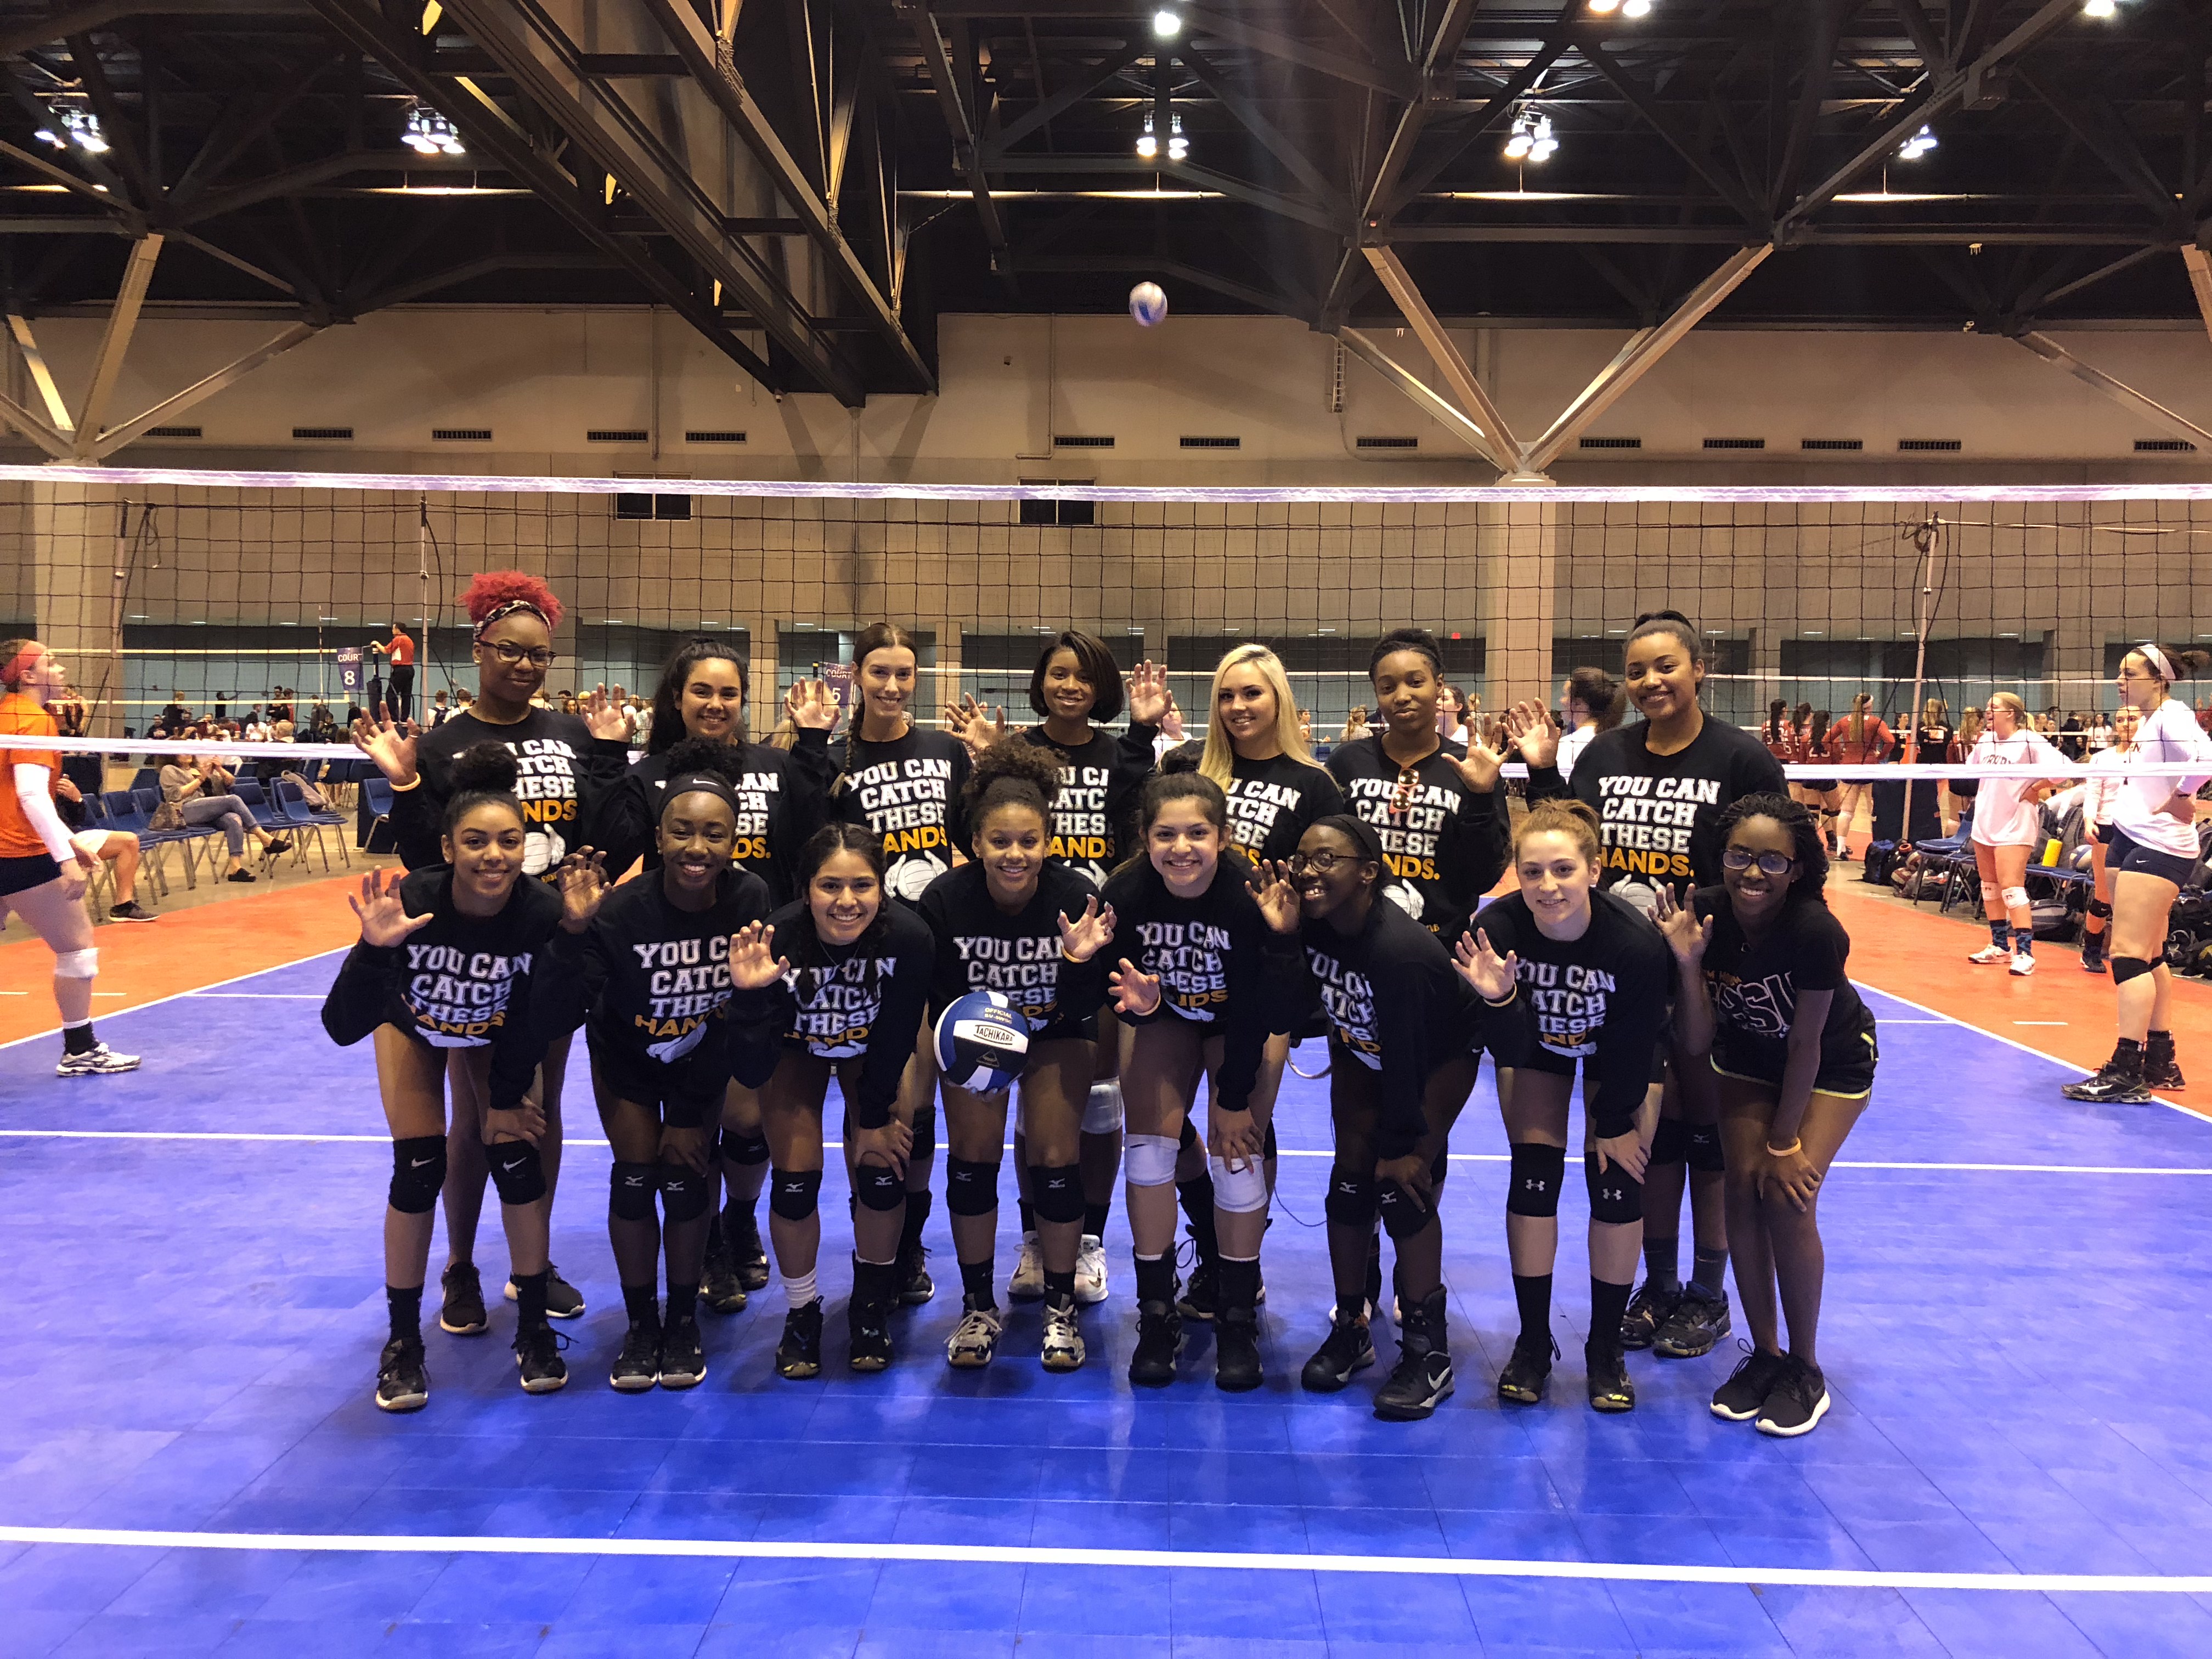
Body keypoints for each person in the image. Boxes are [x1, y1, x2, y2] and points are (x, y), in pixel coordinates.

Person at [352, 570, 634, 1334]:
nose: (524, 665)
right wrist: (407, 786)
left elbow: (601, 836)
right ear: (478, 647)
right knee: (470, 1122)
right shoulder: (442, 744)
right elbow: (424, 858)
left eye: (539, 655)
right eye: (510, 650)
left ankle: (527, 1270)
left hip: (543, 951)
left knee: (534, 1114)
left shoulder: (573, 735)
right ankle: (459, 1267)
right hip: (461, 957)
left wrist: (611, 757)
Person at [1515, 608, 1788, 1364]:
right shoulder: (1603, 755)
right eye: (1637, 671)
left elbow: (1777, 865)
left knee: (1707, 1136)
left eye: (1666, 666)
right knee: (1648, 1139)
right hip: (1619, 976)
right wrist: (1542, 769)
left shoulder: (1742, 760)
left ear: (1700, 670)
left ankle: (1708, 1292)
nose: (1650, 681)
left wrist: (1712, 927)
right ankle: (1658, 1286)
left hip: (1706, 971)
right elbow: (1563, 839)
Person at [586, 640, 840, 1313]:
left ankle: (738, 1221)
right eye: (702, 691)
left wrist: (814, 748)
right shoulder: (653, 776)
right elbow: (609, 855)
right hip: (677, 976)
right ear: (678, 698)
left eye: (729, 693)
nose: (716, 704)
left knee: (749, 1123)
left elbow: (815, 844)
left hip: (759, 967)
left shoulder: (779, 766)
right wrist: (610, 758)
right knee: (686, 1138)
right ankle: (702, 1252)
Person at [318, 746, 569, 1409]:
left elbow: (533, 1021)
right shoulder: (415, 902)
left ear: (528, 847)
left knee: (517, 1155)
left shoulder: (540, 914)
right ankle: (404, 1342)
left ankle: (535, 1327)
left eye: (510, 842)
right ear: (448, 848)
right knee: (420, 1166)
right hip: (414, 1029)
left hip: (494, 1033)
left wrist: (507, 1101)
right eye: (476, 842)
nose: (494, 856)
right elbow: (341, 1025)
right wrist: (374, 951)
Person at [541, 743, 774, 1390]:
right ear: (658, 836)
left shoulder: (749, 894)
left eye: (713, 833)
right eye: (681, 830)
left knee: (686, 1176)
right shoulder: (620, 910)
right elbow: (568, 1010)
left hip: (705, 1056)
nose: (696, 846)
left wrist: (701, 1105)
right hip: (628, 1056)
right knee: (636, 1180)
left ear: (735, 841)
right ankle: (644, 1324)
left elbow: (745, 1008)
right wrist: (572, 929)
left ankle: (683, 1321)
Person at [1662, 793, 1878, 1437]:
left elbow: (1807, 1044)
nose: (1752, 874)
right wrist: (1689, 963)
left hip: (1832, 1064)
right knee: (1739, 1192)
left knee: (1786, 1195)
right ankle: (1766, 1355)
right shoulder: (1702, 912)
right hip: (1746, 1059)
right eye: (1739, 856)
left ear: (1797, 868)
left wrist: (1785, 1140)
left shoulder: (1815, 931)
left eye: (1771, 862)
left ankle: (1805, 1369)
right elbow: (1697, 1042)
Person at [1455, 800, 1677, 1413]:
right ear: (1517, 875)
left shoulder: (1633, 943)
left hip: (1619, 1055)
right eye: (1532, 872)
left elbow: (1636, 1043)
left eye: (1562, 870)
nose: (1547, 886)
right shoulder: (1496, 931)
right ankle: (1533, 1343)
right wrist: (1500, 1003)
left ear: (1594, 871)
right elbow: (1506, 1049)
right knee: (1532, 1180)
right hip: (1537, 1044)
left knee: (1617, 1182)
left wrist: (1613, 1125)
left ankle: (1605, 1347)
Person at [1101, 774, 1302, 1391]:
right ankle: (1157, 1316)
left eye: (1197, 833)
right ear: (1144, 838)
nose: (1181, 848)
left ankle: (1236, 1318)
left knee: (1236, 1153)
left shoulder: (1247, 894)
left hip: (1243, 1020)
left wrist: (1235, 1100)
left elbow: (1255, 1005)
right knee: (1146, 1152)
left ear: (1224, 837)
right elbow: (1106, 989)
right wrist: (1126, 998)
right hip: (1167, 1014)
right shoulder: (1127, 892)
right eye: (1166, 834)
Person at [918, 740, 1115, 1370]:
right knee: (972, 1163)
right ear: (976, 842)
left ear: (1049, 839)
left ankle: (1060, 1307)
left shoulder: (1073, 894)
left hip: (1057, 1031)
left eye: (1028, 842)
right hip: (981, 1039)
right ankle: (978, 1307)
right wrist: (980, 1051)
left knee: (1056, 1159)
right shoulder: (946, 900)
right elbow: (941, 999)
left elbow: (1088, 1003)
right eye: (1000, 842)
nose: (1014, 855)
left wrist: (1080, 961)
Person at [1286, 815, 1482, 1420]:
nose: (1308, 870)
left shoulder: (1401, 953)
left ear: (1368, 874)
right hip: (1362, 1049)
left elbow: (1409, 1057)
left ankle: (1429, 1352)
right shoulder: (1312, 927)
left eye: (1327, 860)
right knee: (1348, 1188)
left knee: (1401, 1185)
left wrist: (1407, 1145)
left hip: (1436, 1059)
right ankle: (1353, 1325)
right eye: (1303, 857)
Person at [725, 826, 935, 1376]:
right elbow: (750, 1068)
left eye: (862, 885)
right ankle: (802, 1312)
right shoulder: (774, 939)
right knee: (794, 1185)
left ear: (882, 888)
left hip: (872, 1047)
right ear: (806, 889)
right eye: (830, 886)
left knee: (882, 1169)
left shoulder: (909, 938)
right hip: (796, 1050)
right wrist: (748, 999)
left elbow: (895, 1038)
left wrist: (872, 1119)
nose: (846, 902)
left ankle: (870, 1304)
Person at [2065, 645, 2212, 1103]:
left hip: (2160, 845)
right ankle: (2160, 1060)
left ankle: (2127, 1069)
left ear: (2158, 679)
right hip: (2131, 837)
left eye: (2129, 672)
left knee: (2127, 956)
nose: (2119, 679)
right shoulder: (2151, 721)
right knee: (2147, 956)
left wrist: (2183, 796)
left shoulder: (2171, 716)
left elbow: (2204, 759)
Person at [0, 639, 140, 1075]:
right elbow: (30, 796)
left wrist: (70, 838)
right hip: (20, 853)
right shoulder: (33, 719)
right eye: (51, 662)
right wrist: (63, 856)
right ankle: (80, 1049)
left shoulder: (6, 714)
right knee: (77, 951)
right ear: (27, 676)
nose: (60, 669)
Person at [1325, 628, 1511, 938]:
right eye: (1387, 687)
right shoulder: (1347, 762)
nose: (1401, 696)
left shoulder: (1469, 765)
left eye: (1415, 682)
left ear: (1438, 687)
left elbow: (1484, 878)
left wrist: (1480, 797)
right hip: (1354, 938)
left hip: (1441, 944)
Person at [1962, 692, 2068, 977]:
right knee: (1990, 886)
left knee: (2011, 887)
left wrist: (2036, 788)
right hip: (1985, 821)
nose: (1987, 711)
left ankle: (2025, 953)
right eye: (1987, 706)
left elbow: (2065, 771)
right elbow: (1969, 771)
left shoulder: (2029, 741)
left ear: (2011, 713)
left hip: (2015, 823)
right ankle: (2000, 946)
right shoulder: (1986, 740)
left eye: (1993, 708)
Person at [158, 751, 291, 882]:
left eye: (189, 750)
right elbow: (175, 796)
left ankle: (235, 868)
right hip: (186, 810)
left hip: (209, 811)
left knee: (234, 819)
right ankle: (265, 838)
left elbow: (231, 783)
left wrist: (220, 769)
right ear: (171, 754)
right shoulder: (169, 770)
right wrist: (200, 779)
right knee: (233, 800)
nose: (187, 754)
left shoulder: (198, 769)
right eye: (181, 752)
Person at [2076, 704, 2140, 975]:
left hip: (2140, 830)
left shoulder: (2154, 757)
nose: (2126, 724)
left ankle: (2134, 953)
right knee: (2104, 896)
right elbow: (2092, 794)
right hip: (2107, 827)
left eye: (2133, 719)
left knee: (2135, 897)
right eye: (2121, 719)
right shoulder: (2102, 758)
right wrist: (2089, 822)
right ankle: (2091, 951)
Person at [55, 774, 154, 923]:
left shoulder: (58, 781)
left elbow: (77, 820)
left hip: (69, 835)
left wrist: (76, 799)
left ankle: (123, 906)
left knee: (129, 841)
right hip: (36, 841)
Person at [1827, 693, 1894, 859]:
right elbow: (1890, 741)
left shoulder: (1844, 721)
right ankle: (1879, 849)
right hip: (1870, 768)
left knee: (1847, 811)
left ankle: (1840, 850)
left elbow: (1826, 740)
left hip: (1849, 768)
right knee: (1875, 811)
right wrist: (1879, 757)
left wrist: (1841, 754)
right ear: (1870, 707)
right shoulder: (1875, 722)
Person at [1556, 667, 1622, 782]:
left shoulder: (1566, 746)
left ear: (1579, 704)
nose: (1562, 700)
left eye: (1565, 695)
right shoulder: (1618, 742)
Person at [370, 623, 416, 725]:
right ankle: (405, 719)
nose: (392, 630)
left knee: (391, 694)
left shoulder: (399, 639)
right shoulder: (410, 640)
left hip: (400, 670)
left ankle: (393, 718)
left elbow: (386, 650)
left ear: (398, 629)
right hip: (410, 669)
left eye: (393, 628)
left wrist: (377, 644)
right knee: (406, 695)